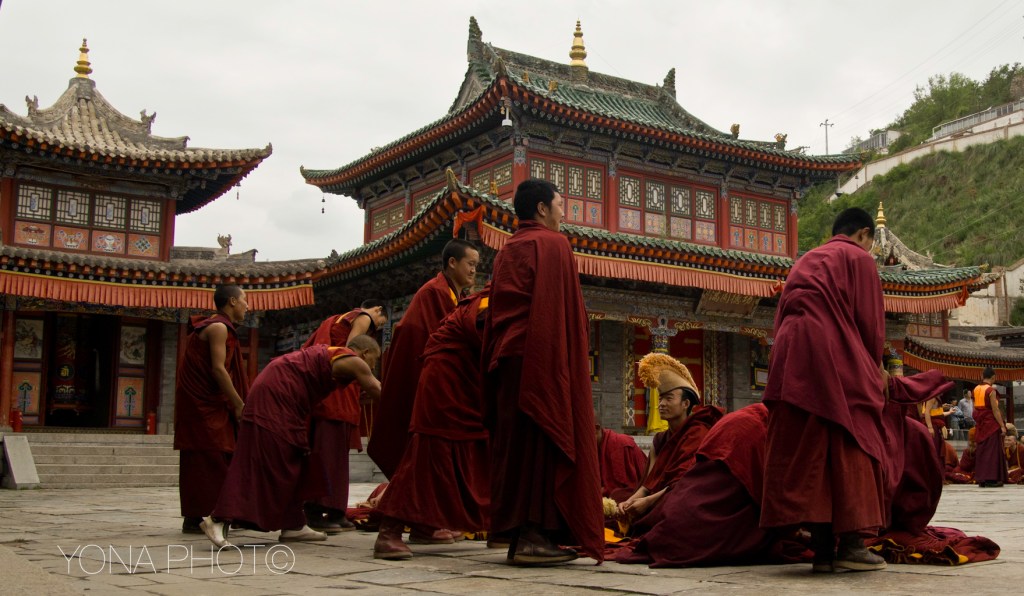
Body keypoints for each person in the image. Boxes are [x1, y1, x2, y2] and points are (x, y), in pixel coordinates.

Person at [481, 178, 603, 565]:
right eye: (560, 205)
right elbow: (558, 312)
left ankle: (518, 533)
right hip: (538, 357)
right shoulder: (552, 244)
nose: (563, 213)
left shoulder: (507, 249)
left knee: (516, 447)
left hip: (507, 357)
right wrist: (561, 366)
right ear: (541, 209)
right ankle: (533, 535)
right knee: (541, 442)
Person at [760, 207, 889, 572]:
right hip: (830, 346)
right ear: (864, 234)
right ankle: (851, 544)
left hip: (789, 354)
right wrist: (873, 367)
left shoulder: (803, 260)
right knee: (852, 435)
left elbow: (781, 314)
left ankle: (821, 551)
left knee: (809, 441)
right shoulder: (858, 258)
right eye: (870, 242)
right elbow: (869, 322)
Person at [201, 336, 382, 548]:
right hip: (275, 397)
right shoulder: (353, 359)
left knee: (295, 458)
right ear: (366, 353)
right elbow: (376, 388)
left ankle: (294, 524)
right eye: (375, 359)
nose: (373, 366)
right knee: (266, 462)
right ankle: (218, 519)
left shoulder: (336, 359)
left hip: (283, 397)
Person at [373, 287, 492, 560]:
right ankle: (389, 532)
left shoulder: (495, 302)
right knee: (427, 455)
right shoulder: (489, 304)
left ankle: (499, 529)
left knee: (484, 452)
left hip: (467, 384)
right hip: (446, 383)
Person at [367, 239, 479, 481]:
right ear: (452, 262)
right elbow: (434, 339)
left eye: (476, 265)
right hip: (427, 380)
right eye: (470, 264)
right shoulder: (435, 292)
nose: (474, 270)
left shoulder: (455, 295)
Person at [302, 300, 387, 534]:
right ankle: (319, 509)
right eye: (382, 322)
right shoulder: (363, 317)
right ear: (378, 310)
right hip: (336, 395)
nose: (378, 326)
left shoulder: (339, 319)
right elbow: (349, 353)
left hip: (331, 389)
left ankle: (334, 510)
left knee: (333, 453)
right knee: (330, 452)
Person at [173, 284, 250, 535]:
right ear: (232, 302)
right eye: (245, 300)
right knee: (210, 456)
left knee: (213, 457)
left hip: (206, 403)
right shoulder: (218, 328)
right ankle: (204, 516)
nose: (247, 306)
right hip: (203, 405)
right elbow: (218, 369)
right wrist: (238, 403)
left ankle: (199, 516)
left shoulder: (219, 327)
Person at [615, 353, 722, 529]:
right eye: (661, 398)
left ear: (685, 404)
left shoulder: (697, 433)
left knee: (666, 519)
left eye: (669, 398)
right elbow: (650, 482)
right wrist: (630, 501)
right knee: (619, 499)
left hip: (684, 497)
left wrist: (648, 502)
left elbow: (685, 483)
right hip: (661, 497)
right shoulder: (660, 439)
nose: (662, 404)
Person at [972, 367, 1007, 488]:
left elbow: (975, 408)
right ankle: (991, 479)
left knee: (982, 450)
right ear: (993, 377)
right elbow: (995, 410)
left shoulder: (976, 389)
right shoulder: (991, 390)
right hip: (990, 422)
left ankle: (981, 479)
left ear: (982, 376)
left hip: (981, 423)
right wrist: (1002, 425)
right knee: (991, 451)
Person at [596, 424, 647, 499]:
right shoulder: (596, 446)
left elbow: (626, 486)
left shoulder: (620, 445)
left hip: (637, 493)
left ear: (596, 429)